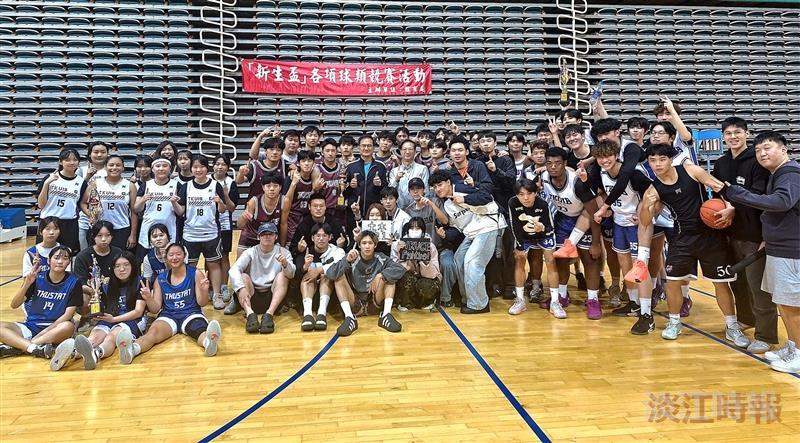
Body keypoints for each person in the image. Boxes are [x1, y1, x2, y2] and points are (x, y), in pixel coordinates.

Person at [627, 144, 747, 345]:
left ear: (670, 159)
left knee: (720, 282)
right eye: (653, 160)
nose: (657, 164)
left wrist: (730, 207)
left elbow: (720, 187)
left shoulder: (691, 170)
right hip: (681, 238)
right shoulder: (653, 190)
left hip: (710, 235)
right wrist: (645, 212)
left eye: (662, 159)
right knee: (673, 281)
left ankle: (732, 325)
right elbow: (646, 223)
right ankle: (674, 322)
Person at [723, 131, 800, 373]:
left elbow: (781, 202)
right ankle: (793, 345)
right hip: (779, 247)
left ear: (784, 149)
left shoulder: (790, 174)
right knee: (783, 303)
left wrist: (736, 193)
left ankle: (799, 354)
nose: (762, 153)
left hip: (791, 251)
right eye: (757, 151)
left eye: (767, 148)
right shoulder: (776, 174)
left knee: (792, 306)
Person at [712, 118, 777, 353]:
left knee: (758, 287)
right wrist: (723, 208)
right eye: (728, 133)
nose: (733, 137)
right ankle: (747, 319)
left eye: (737, 132)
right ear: (723, 137)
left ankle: (766, 335)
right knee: (738, 282)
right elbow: (718, 194)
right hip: (729, 232)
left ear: (746, 134)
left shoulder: (757, 162)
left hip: (754, 233)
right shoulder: (720, 164)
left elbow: (759, 196)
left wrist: (734, 208)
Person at [115, 243, 222, 363]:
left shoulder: (196, 273)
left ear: (184, 256)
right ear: (166, 258)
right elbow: (155, 309)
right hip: (168, 316)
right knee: (153, 333)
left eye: (178, 254)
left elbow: (202, 303)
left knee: (199, 330)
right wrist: (149, 298)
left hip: (191, 313)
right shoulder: (160, 278)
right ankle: (131, 350)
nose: (175, 257)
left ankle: (209, 343)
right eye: (171, 255)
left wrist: (204, 290)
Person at [50, 252, 147, 371]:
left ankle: (96, 354)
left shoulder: (140, 282)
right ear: (113, 268)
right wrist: (95, 308)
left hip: (132, 320)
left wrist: (114, 319)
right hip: (110, 317)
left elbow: (138, 311)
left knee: (111, 337)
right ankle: (71, 354)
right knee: (93, 337)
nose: (122, 269)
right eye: (117, 266)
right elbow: (105, 307)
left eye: (126, 265)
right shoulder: (107, 284)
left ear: (133, 266)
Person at [428, 169, 506, 314]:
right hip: (472, 232)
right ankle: (468, 298)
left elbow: (486, 196)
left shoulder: (462, 188)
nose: (438, 189)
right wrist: (445, 234)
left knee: (473, 262)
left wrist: (465, 199)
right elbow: (458, 228)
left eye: (440, 185)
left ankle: (479, 304)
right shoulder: (447, 206)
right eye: (434, 187)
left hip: (488, 225)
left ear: (449, 182)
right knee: (459, 259)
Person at [540, 149, 603, 319]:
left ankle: (592, 299)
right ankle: (561, 295)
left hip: (586, 220)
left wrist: (596, 242)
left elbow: (594, 213)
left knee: (590, 260)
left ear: (565, 164)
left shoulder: (577, 184)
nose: (553, 167)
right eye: (549, 163)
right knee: (560, 260)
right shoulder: (544, 177)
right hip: (563, 220)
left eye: (557, 163)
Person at [0, 246, 81, 360]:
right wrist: (27, 283)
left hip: (55, 328)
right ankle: (35, 349)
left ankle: (21, 346)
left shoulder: (74, 282)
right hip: (31, 325)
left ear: (69, 262)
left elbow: (68, 315)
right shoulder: (37, 277)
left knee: (68, 326)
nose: (60, 261)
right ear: (48, 260)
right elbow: (14, 305)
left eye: (65, 258)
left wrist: (45, 332)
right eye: (56, 257)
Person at [326, 230, 406, 336]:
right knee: (338, 276)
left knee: (389, 276)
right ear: (359, 245)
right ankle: (349, 318)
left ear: (375, 245)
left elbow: (400, 269)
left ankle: (386, 315)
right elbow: (330, 273)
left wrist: (381, 275)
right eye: (364, 243)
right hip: (355, 303)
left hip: (374, 302)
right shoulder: (352, 257)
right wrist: (347, 261)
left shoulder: (381, 257)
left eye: (370, 243)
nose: (367, 246)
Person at [175, 154, 228, 308]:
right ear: (191, 169)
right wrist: (174, 204)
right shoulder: (186, 186)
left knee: (214, 265)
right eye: (195, 167)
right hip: (190, 234)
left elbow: (223, 210)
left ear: (207, 168)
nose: (198, 170)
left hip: (211, 233)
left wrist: (220, 203)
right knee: (190, 266)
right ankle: (190, 294)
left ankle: (217, 295)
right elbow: (180, 211)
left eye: (201, 167)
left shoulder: (214, 185)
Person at [229, 222, 295, 333]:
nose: (267, 236)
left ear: (276, 236)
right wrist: (241, 288)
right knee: (243, 277)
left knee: (282, 276)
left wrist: (285, 264)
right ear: (258, 237)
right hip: (252, 294)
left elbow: (291, 274)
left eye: (270, 234)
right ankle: (250, 314)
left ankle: (269, 315)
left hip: (273, 297)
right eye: (264, 234)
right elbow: (233, 270)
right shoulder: (250, 252)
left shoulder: (284, 253)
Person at [506, 178, 560, 316]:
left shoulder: (543, 203)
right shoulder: (512, 202)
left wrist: (541, 229)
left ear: (535, 193)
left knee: (551, 261)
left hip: (544, 234)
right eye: (521, 194)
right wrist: (519, 246)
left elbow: (551, 227)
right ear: (516, 195)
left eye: (529, 193)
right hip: (524, 236)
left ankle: (555, 302)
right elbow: (514, 226)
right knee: (519, 260)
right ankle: (520, 300)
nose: (525, 197)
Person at [80, 154, 138, 250]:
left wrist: (133, 235)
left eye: (118, 165)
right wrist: (91, 214)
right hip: (99, 228)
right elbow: (83, 203)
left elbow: (134, 211)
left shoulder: (130, 185)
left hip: (121, 228)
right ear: (105, 167)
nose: (114, 168)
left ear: (123, 168)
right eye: (111, 165)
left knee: (119, 260)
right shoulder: (95, 183)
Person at [298, 223, 345, 331]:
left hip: (330, 295)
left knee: (326, 274)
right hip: (309, 292)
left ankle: (321, 314)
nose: (321, 239)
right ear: (312, 238)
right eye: (318, 236)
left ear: (330, 237)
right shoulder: (306, 252)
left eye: (324, 236)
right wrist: (305, 266)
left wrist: (319, 270)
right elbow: (296, 273)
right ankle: (308, 315)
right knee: (307, 275)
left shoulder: (337, 251)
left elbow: (340, 265)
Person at [37, 148, 85, 253]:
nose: (72, 162)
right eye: (67, 160)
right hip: (48, 222)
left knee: (67, 255)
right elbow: (41, 205)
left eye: (75, 159)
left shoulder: (81, 182)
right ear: (60, 161)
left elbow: (82, 204)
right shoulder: (49, 178)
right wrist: (46, 184)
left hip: (69, 224)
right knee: (45, 254)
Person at [134, 157, 179, 261]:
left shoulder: (176, 185)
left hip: (169, 227)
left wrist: (174, 203)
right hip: (148, 227)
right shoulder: (146, 185)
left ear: (170, 169)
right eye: (158, 166)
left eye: (164, 166)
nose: (161, 169)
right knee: (145, 261)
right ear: (153, 169)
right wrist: (143, 200)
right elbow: (136, 208)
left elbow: (180, 212)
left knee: (169, 260)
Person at [392, 217, 441, 311]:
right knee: (405, 278)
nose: (414, 231)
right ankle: (406, 303)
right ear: (407, 231)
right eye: (411, 228)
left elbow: (433, 274)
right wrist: (400, 254)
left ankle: (426, 302)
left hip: (425, 278)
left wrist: (426, 262)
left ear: (423, 231)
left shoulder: (430, 246)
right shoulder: (398, 245)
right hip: (409, 276)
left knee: (426, 284)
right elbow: (393, 268)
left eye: (418, 228)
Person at [210, 153, 240, 307]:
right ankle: (211, 286)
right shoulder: (206, 181)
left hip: (225, 225)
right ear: (213, 165)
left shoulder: (231, 182)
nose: (220, 166)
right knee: (211, 257)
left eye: (223, 164)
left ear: (228, 167)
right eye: (217, 163)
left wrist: (226, 195)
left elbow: (232, 207)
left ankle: (223, 285)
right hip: (208, 224)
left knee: (224, 256)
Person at [238, 172, 287, 253]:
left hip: (270, 238)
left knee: (278, 263)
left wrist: (282, 246)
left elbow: (283, 224)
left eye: (275, 186)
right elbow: (239, 225)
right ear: (263, 187)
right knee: (241, 264)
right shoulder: (253, 202)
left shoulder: (284, 201)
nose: (272, 189)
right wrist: (244, 217)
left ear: (280, 187)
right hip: (251, 237)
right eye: (268, 186)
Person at [344, 134, 387, 219]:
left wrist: (380, 184)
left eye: (369, 146)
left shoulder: (380, 166)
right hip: (354, 211)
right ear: (359, 147)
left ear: (374, 148)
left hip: (374, 214)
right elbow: (344, 192)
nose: (366, 148)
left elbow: (385, 190)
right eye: (363, 146)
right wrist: (350, 186)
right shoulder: (351, 167)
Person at [76, 141, 110, 250]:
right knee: (84, 249)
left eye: (103, 152)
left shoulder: (111, 170)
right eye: (96, 152)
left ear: (107, 154)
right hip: (85, 217)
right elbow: (76, 193)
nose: (99, 155)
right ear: (90, 154)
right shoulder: (81, 170)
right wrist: (87, 177)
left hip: (105, 216)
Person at [283, 150, 321, 241]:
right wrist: (293, 184)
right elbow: (285, 201)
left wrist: (316, 189)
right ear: (298, 163)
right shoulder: (291, 178)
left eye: (309, 161)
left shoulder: (316, 179)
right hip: (293, 219)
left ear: (313, 163)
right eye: (303, 161)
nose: (307, 164)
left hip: (309, 220)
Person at [239, 134, 286, 200]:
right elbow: (238, 181)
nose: (275, 152)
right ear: (265, 151)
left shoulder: (285, 166)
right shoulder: (254, 166)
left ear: (282, 152)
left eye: (278, 150)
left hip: (276, 206)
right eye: (271, 149)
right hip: (254, 207)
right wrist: (241, 174)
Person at [389, 139, 430, 208]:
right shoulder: (394, 171)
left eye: (410, 149)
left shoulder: (422, 169)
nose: (407, 152)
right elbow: (390, 192)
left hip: (419, 208)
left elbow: (426, 191)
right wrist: (396, 180)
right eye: (404, 149)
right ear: (400, 151)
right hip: (399, 209)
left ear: (415, 152)